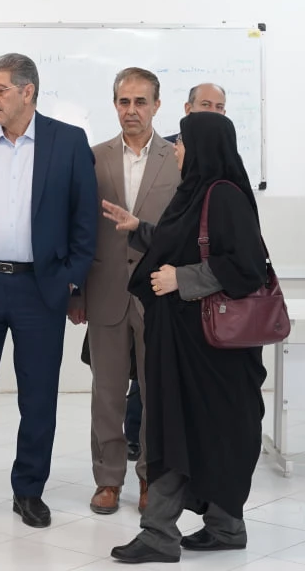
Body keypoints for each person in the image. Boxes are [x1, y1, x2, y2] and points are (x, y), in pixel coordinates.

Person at [0, 52, 98, 534]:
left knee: (38, 396)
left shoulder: (68, 142)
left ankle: (28, 490)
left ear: (28, 92)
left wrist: (70, 279)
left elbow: (85, 221)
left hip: (39, 287)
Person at [102, 112, 268, 564]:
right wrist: (139, 229)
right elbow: (185, 243)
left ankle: (159, 534)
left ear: (202, 148)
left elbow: (248, 267)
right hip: (187, 343)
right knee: (197, 431)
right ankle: (225, 527)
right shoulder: (195, 193)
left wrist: (183, 279)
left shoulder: (224, 195)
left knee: (180, 432)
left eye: (182, 142)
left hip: (213, 351)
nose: (175, 149)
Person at [69, 68, 180, 516]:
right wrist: (77, 292)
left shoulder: (176, 159)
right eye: (123, 101)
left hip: (159, 295)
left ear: (157, 105)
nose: (131, 110)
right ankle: (108, 480)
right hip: (105, 291)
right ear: (114, 104)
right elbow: (78, 229)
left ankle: (151, 477)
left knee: (157, 394)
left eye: (140, 101)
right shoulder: (92, 158)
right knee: (107, 393)